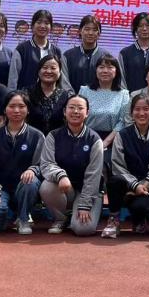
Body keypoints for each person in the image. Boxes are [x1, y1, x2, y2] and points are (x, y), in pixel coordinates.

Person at [38, 95, 105, 236]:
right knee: (47, 186)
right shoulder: (53, 136)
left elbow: (93, 176)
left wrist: (85, 205)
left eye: (80, 108)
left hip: (87, 190)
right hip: (64, 188)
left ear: (87, 113)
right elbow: (46, 164)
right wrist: (61, 175)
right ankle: (61, 218)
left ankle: (76, 214)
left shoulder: (94, 139)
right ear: (64, 111)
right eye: (71, 107)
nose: (75, 111)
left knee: (83, 229)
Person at [107, 94, 149, 237]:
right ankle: (114, 220)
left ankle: (139, 219)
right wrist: (135, 186)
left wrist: (144, 185)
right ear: (131, 113)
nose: (141, 113)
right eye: (137, 109)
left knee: (141, 207)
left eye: (146, 109)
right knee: (114, 181)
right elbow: (118, 165)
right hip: (127, 182)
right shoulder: (122, 135)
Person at [0, 90, 46, 235]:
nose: (16, 110)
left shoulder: (37, 136)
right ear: (5, 109)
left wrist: (32, 170)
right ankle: (2, 217)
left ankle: (23, 218)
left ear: (28, 110)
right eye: (12, 106)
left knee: (31, 181)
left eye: (21, 106)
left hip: (24, 187)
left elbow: (42, 164)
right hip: (0, 188)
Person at [8, 9, 68, 91]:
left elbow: (63, 79)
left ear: (51, 27)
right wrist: (12, 95)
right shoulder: (22, 49)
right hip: (25, 96)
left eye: (46, 23)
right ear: (32, 26)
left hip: (50, 96)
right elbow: (13, 78)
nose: (42, 26)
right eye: (39, 22)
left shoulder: (56, 51)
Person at [78, 55, 128, 147]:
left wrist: (105, 143)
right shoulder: (84, 91)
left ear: (116, 71)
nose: (105, 71)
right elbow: (79, 116)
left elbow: (122, 122)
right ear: (96, 70)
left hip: (113, 141)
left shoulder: (123, 94)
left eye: (110, 67)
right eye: (101, 67)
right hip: (85, 138)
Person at [118, 12, 149, 94]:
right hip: (131, 98)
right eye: (140, 26)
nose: (144, 29)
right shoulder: (125, 53)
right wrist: (127, 97)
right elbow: (121, 79)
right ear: (135, 30)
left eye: (148, 25)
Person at [26, 55, 74, 135]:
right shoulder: (26, 93)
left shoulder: (67, 96)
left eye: (53, 68)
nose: (48, 71)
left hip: (58, 139)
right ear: (38, 71)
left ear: (60, 72)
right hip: (31, 139)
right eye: (45, 68)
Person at [62, 15, 111, 94]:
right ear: (80, 31)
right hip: (73, 100)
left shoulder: (106, 56)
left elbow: (110, 82)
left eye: (94, 30)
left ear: (99, 33)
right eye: (87, 29)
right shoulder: (68, 56)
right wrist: (73, 98)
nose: (90, 33)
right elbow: (64, 82)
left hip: (100, 100)